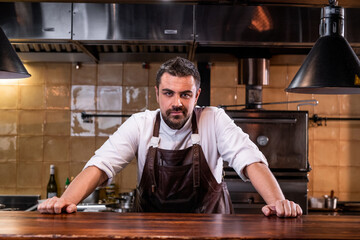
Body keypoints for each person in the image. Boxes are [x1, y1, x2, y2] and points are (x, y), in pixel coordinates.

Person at [38, 57, 302, 217]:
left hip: (210, 233)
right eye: (168, 93)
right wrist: (66, 201)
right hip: (152, 234)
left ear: (197, 95)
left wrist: (278, 203)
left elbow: (250, 160)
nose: (177, 103)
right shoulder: (140, 124)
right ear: (157, 94)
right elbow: (102, 165)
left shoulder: (214, 119)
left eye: (185, 94)